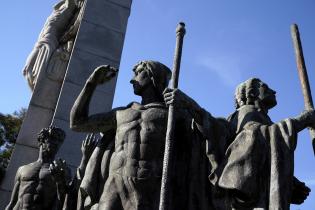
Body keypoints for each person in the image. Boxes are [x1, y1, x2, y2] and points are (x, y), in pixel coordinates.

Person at [70, 61, 212, 210]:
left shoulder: (172, 114)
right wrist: (91, 83)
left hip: (152, 189)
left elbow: (206, 134)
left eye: (138, 73)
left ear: (153, 76)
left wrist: (189, 104)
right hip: (114, 185)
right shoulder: (121, 113)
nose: (132, 79)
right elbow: (77, 123)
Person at [164, 78, 314, 209]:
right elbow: (249, 141)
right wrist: (301, 121)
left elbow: (263, 156)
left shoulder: (262, 119)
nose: (274, 91)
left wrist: (290, 184)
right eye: (265, 87)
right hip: (243, 202)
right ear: (252, 94)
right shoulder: (243, 116)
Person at [5, 126, 70, 210]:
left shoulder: (60, 170)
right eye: (53, 138)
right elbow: (12, 203)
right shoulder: (22, 169)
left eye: (59, 141)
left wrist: (60, 181)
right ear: (42, 140)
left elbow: (64, 200)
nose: (56, 143)